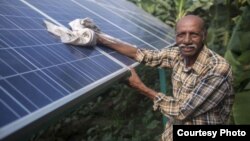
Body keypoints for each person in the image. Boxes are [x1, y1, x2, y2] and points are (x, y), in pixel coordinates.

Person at [94, 15, 234, 141]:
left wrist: (141, 87)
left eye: (194, 35)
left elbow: (182, 111)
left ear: (204, 36)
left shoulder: (216, 69)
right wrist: (100, 39)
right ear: (176, 36)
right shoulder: (178, 54)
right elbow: (145, 55)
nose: (186, 40)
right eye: (181, 35)